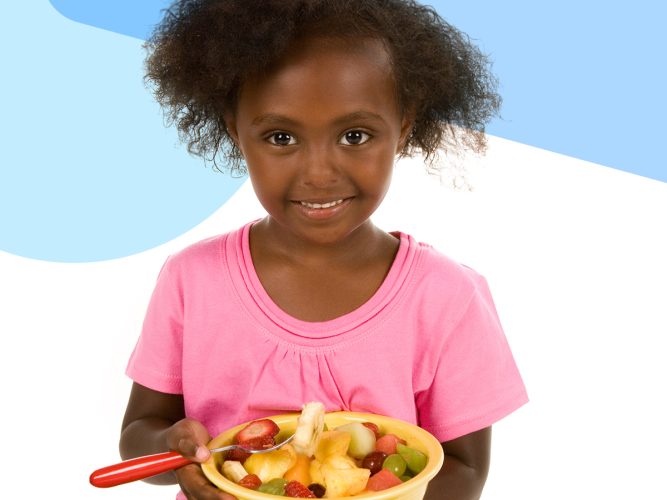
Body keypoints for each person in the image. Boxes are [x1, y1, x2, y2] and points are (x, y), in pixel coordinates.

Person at [119, 1, 528, 499]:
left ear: (403, 124)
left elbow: (463, 470)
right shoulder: (191, 280)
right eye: (281, 136)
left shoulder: (448, 297)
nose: (318, 173)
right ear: (234, 126)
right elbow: (140, 434)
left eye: (354, 135)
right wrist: (176, 449)